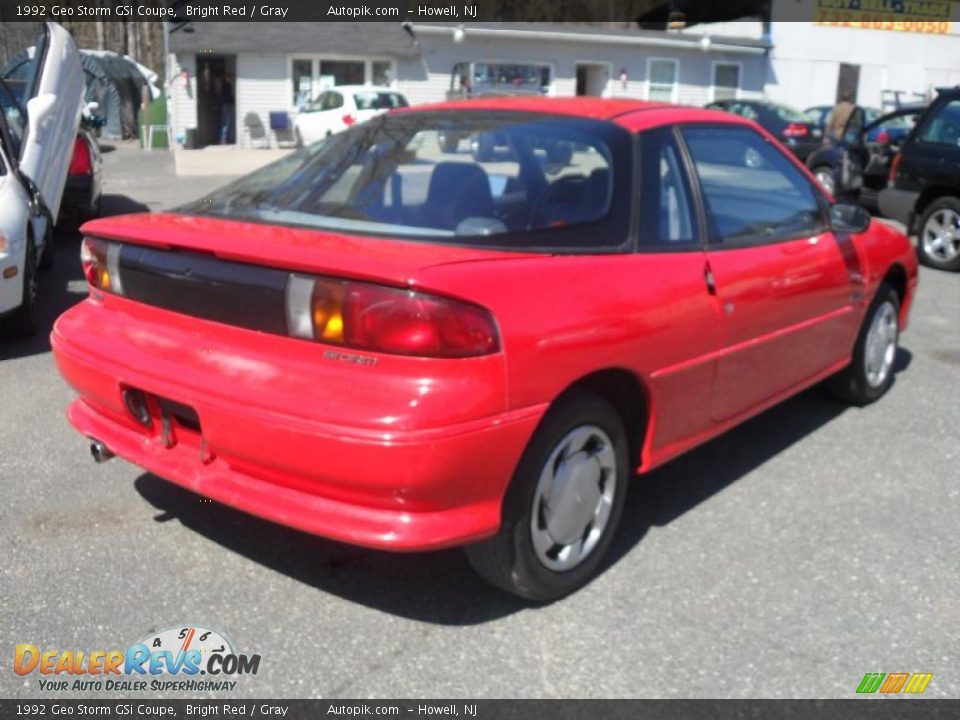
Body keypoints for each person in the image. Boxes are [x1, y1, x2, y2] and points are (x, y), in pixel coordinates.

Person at [219, 72, 236, 145]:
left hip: (227, 105)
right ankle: (223, 140)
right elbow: (226, 96)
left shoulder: (227, 85)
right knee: (226, 123)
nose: (230, 79)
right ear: (226, 78)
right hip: (227, 105)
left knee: (227, 123)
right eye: (229, 77)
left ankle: (225, 139)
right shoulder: (226, 86)